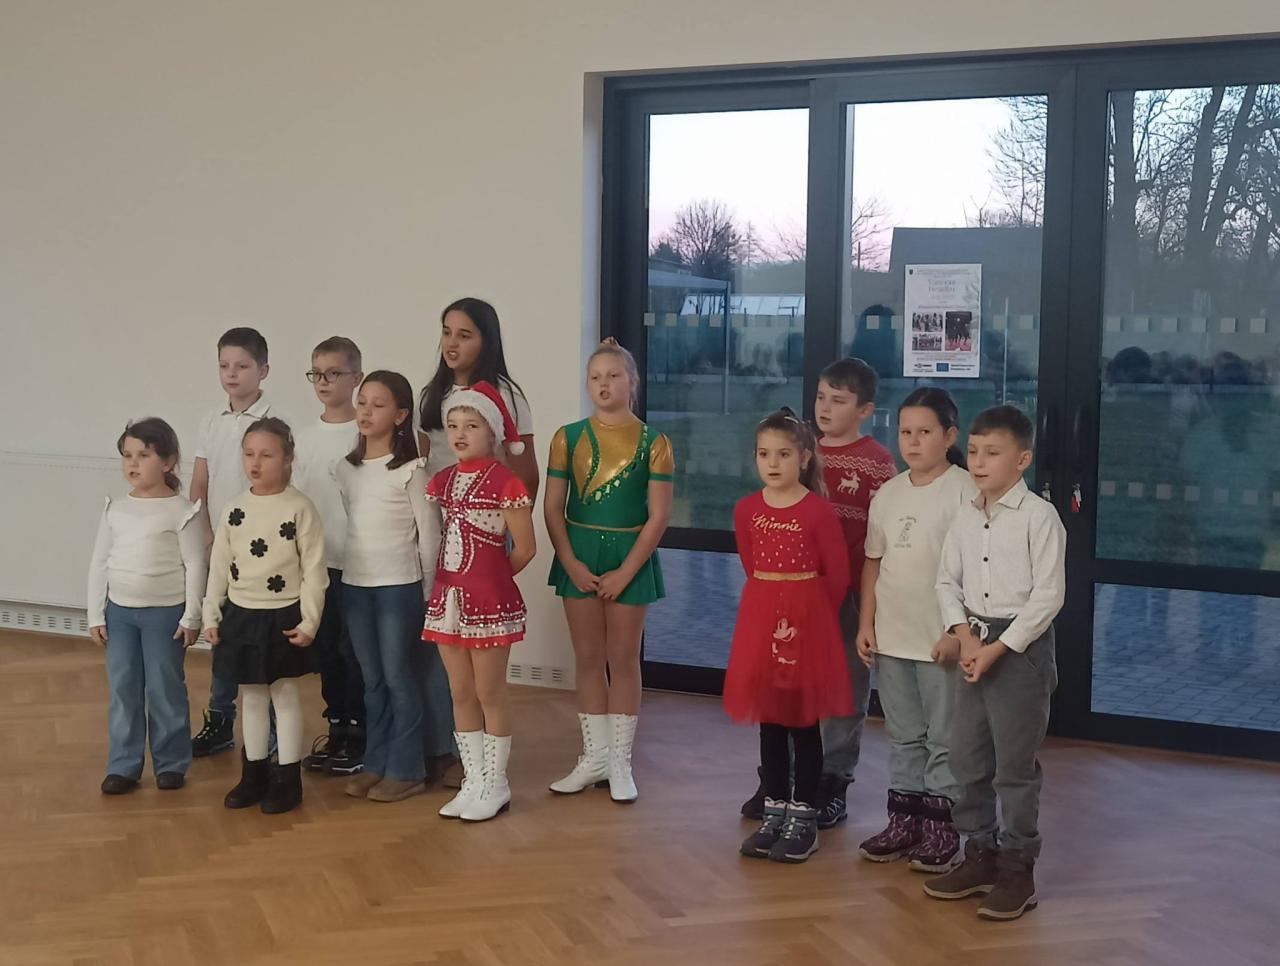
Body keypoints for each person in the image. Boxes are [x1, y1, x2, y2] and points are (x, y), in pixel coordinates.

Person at [923, 405, 1066, 921]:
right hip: (973, 640)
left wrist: (997, 649)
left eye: (993, 453)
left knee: (1014, 768)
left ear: (1022, 459)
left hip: (1019, 652)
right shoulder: (966, 514)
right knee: (967, 758)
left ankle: (1017, 870)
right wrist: (963, 636)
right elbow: (947, 582)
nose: (979, 462)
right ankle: (978, 854)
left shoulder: (1039, 517)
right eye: (975, 452)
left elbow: (1047, 598)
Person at [742, 358, 895, 827]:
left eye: (839, 400)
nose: (825, 408)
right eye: (821, 397)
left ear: (864, 410)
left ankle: (833, 780)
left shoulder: (877, 462)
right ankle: (782, 779)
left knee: (843, 687)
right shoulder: (797, 448)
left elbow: (883, 534)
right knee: (786, 686)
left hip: (849, 595)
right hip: (793, 598)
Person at [544, 338, 673, 803]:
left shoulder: (654, 443)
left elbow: (658, 516)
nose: (603, 384)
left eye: (613, 376)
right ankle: (593, 756)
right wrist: (570, 561)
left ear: (632, 383)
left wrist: (626, 571)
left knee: (622, 658)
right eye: (595, 377)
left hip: (630, 555)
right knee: (587, 656)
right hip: (579, 552)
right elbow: (552, 507)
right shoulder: (567, 437)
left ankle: (619, 760)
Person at [724, 409, 851, 864]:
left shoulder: (818, 511)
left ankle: (804, 816)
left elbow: (837, 575)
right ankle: (774, 808)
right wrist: (773, 607)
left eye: (783, 454)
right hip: (762, 620)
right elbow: (750, 563)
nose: (773, 463)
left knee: (802, 721)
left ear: (804, 458)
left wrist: (807, 617)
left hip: (807, 625)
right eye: (764, 454)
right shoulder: (747, 510)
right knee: (771, 720)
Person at [856, 388, 974, 871]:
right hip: (893, 635)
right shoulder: (889, 492)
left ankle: (942, 827)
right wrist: (867, 622)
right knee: (904, 735)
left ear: (949, 436)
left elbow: (976, 569)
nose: (913, 441)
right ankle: (903, 821)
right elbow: (873, 562)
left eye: (924, 432)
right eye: (905, 432)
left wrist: (957, 632)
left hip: (939, 639)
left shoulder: (965, 490)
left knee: (944, 737)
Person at [423, 382, 536, 823]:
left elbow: (525, 548)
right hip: (447, 599)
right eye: (453, 425)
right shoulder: (442, 482)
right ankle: (473, 779)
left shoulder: (506, 483)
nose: (459, 433)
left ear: (491, 432)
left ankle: (496, 782)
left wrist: (493, 583)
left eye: (470, 425)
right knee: (460, 691)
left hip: (488, 603)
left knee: (490, 691)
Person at [203, 418, 327, 815]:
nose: (255, 463)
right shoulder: (235, 508)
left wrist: (309, 621)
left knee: (284, 696)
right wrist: (211, 613)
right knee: (252, 697)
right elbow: (219, 566)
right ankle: (253, 774)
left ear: (287, 458)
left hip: (283, 615)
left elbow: (314, 572)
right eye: (249, 454)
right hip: (242, 614)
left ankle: (287, 778)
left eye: (267, 455)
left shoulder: (299, 508)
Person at [336, 372, 443, 803]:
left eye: (378, 405)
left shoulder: (412, 471)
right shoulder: (346, 469)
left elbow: (429, 536)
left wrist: (430, 594)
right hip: (356, 586)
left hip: (399, 587)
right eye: (362, 402)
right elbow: (353, 521)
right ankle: (375, 762)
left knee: (400, 677)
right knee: (372, 680)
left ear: (400, 416)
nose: (365, 412)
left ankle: (407, 768)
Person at [88, 418, 206, 794]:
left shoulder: (181, 510)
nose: (133, 463)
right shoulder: (116, 509)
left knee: (164, 687)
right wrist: (95, 613)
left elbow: (196, 564)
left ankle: (171, 763)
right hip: (120, 614)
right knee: (123, 686)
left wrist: (192, 615)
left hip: (165, 615)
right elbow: (99, 562)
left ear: (168, 462)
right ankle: (123, 765)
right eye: (127, 455)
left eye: (143, 455)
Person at [190, 326, 282, 758]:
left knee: (261, 639)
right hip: (220, 546)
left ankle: (272, 728)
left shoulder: (273, 422)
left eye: (242, 366)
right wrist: (205, 534)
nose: (232, 374)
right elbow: (200, 483)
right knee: (221, 634)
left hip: (260, 550)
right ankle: (220, 719)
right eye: (224, 365)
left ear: (262, 370)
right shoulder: (211, 420)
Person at [294, 337, 366, 777]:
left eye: (333, 373)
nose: (323, 382)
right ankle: (336, 727)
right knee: (328, 652)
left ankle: (360, 733)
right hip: (318, 564)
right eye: (316, 373)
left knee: (352, 651)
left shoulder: (365, 432)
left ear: (356, 377)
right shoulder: (303, 439)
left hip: (358, 563)